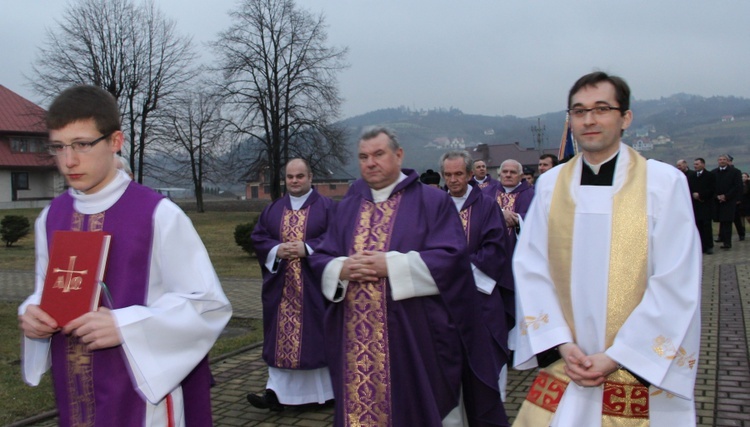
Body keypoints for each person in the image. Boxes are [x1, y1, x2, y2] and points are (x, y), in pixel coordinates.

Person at [17, 85, 232, 426]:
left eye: (82, 145)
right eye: (58, 147)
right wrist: (32, 315)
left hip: (144, 394)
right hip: (75, 387)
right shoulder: (51, 218)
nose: (69, 160)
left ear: (116, 141)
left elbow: (207, 305)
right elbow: (47, 290)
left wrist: (126, 326)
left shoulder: (159, 214)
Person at [511, 72, 700, 426]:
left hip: (636, 366)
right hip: (570, 360)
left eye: (601, 109)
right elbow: (531, 266)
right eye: (579, 111)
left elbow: (677, 278)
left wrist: (618, 356)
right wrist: (561, 345)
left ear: (625, 117)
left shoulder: (662, 183)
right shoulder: (551, 185)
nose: (589, 119)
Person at [309, 127, 501, 426]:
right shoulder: (347, 207)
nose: (370, 162)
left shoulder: (431, 201)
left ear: (399, 155)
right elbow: (322, 256)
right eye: (363, 156)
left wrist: (392, 266)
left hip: (414, 335)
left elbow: (452, 260)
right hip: (356, 342)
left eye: (378, 154)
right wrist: (340, 269)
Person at [247, 158, 335, 411]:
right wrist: (276, 249)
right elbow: (258, 237)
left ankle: (324, 393)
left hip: (314, 288)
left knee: (314, 339)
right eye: (290, 177)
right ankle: (275, 393)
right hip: (281, 290)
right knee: (278, 339)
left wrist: (308, 248)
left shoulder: (328, 207)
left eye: (300, 176)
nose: (294, 181)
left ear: (310, 177)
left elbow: (338, 237)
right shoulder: (273, 209)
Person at [440, 150, 513, 426]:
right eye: (448, 175)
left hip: (479, 300)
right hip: (443, 302)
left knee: (483, 370)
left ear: (470, 174)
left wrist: (457, 271)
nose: (453, 180)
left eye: (459, 174)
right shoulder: (436, 206)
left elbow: (495, 249)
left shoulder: (486, 205)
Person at [488, 159, 534, 252]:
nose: (508, 175)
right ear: (499, 174)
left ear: (521, 176)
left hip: (519, 249)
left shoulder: (532, 195)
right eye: (505, 172)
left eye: (513, 172)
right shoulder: (486, 192)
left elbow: (539, 218)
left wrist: (517, 218)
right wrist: (500, 213)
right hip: (490, 249)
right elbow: (477, 212)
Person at [712, 154, 742, 248]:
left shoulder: (735, 172)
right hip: (717, 201)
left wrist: (726, 196)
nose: (722, 161)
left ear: (727, 161)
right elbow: (711, 186)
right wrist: (717, 196)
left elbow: (737, 186)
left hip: (729, 200)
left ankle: (727, 243)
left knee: (727, 221)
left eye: (724, 159)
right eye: (720, 159)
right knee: (721, 221)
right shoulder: (713, 172)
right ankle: (722, 239)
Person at [689, 158, 716, 254]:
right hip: (696, 206)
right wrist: (693, 194)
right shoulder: (691, 176)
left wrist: (700, 195)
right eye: (694, 164)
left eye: (697, 164)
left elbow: (712, 189)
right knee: (698, 226)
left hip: (706, 204)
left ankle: (709, 246)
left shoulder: (710, 176)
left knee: (706, 226)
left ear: (703, 165)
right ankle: (701, 246)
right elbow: (689, 188)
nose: (695, 166)